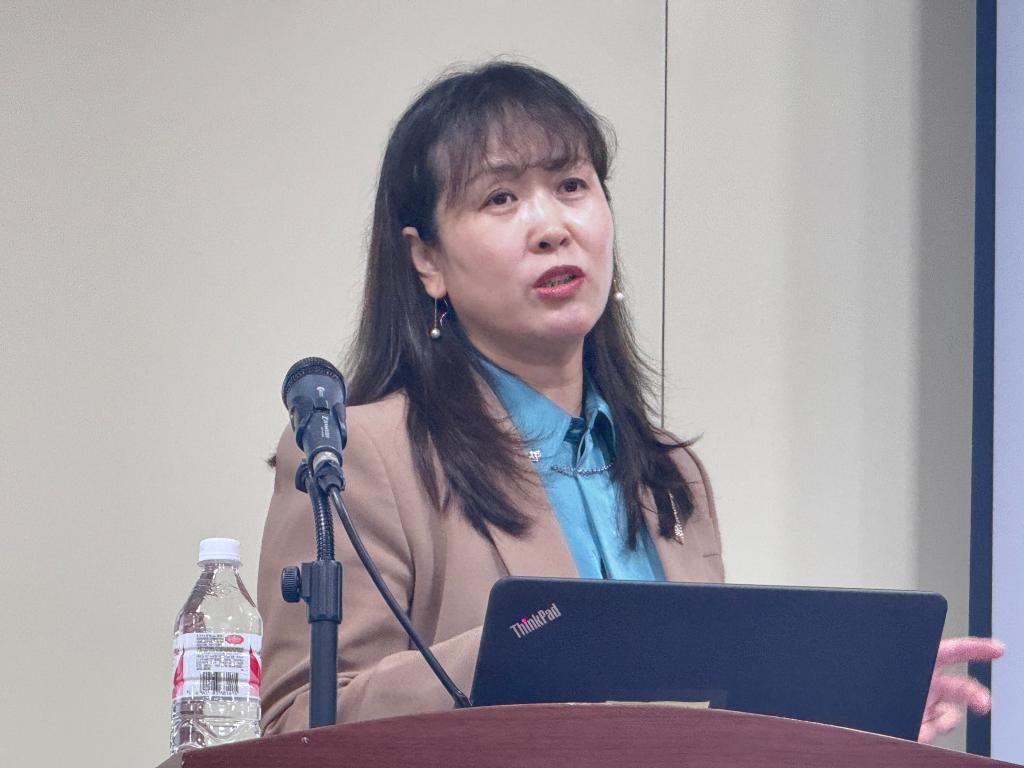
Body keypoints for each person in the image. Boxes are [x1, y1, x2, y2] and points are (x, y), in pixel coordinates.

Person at [256, 61, 1000, 742]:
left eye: (572, 186)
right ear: (427, 260)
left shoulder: (671, 476)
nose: (553, 227)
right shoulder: (358, 456)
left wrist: (848, 706)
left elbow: (702, 727)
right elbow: (299, 727)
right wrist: (519, 646)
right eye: (501, 197)